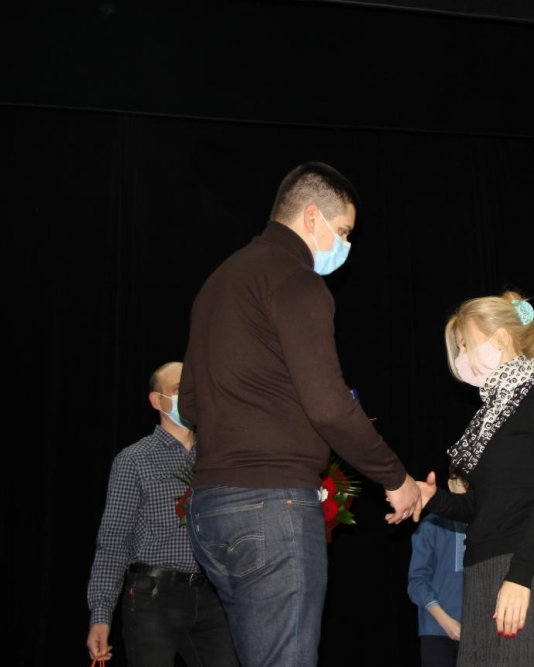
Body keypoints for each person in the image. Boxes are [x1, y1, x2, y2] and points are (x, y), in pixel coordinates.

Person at [178, 161, 422, 667]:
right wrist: (396, 478)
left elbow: (190, 405)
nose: (345, 246)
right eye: (344, 232)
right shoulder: (297, 281)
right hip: (271, 507)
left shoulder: (218, 283)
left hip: (209, 512)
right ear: (312, 216)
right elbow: (329, 407)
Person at [417, 290, 534, 667]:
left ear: (501, 339)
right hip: (480, 572)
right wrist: (431, 498)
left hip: (522, 568)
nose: (461, 356)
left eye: (465, 344)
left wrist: (520, 576)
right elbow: (480, 505)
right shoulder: (487, 420)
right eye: (458, 347)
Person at [85, 361, 239, 666]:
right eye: (180, 389)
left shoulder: (218, 456)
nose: (190, 395)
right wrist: (101, 615)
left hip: (212, 593)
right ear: (157, 400)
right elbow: (114, 540)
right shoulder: (134, 460)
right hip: (153, 596)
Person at [407, 466, 468, 667]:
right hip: (437, 631)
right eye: (462, 481)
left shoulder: (487, 524)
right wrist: (446, 622)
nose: (468, 488)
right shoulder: (431, 524)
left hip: (480, 632)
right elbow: (416, 581)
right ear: (450, 484)